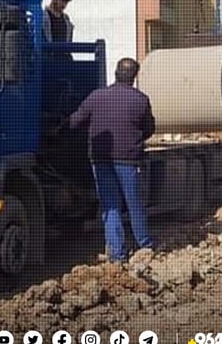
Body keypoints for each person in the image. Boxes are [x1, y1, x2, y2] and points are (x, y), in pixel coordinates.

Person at [65, 57, 157, 262]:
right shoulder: (140, 99)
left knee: (110, 206)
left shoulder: (96, 96)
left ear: (116, 73)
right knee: (134, 205)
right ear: (134, 77)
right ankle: (145, 246)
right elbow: (150, 129)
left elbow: (75, 121)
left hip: (101, 160)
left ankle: (117, 253)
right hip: (129, 160)